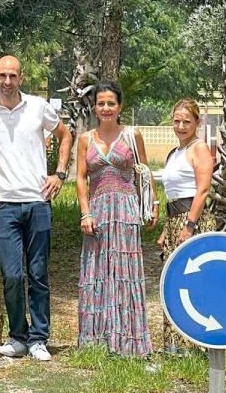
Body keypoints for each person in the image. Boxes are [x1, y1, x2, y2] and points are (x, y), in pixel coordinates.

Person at [0, 55, 72, 362]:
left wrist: (60, 174)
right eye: (2, 75)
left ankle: (39, 338)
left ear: (21, 77)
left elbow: (65, 135)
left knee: (39, 273)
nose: (7, 81)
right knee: (13, 275)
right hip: (4, 204)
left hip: (37, 202)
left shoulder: (37, 107)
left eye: (12, 76)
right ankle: (18, 337)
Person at [76, 81, 156, 357]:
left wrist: (153, 205)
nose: (106, 108)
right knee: (97, 272)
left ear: (119, 106)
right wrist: (85, 212)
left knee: (125, 273)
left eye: (111, 103)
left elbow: (144, 173)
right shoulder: (86, 139)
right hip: (98, 211)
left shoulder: (133, 135)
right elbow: (80, 178)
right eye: (101, 103)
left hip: (125, 210)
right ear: (95, 108)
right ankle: (97, 340)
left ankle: (128, 340)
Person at [158, 98, 217, 352]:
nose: (181, 126)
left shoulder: (199, 148)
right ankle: (175, 344)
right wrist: (165, 229)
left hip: (192, 221)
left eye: (187, 121)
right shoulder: (175, 152)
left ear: (197, 122)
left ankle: (196, 345)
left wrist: (189, 225)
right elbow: (172, 193)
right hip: (173, 220)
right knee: (173, 282)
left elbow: (202, 190)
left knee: (194, 282)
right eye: (177, 121)